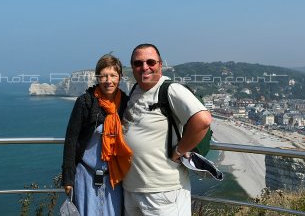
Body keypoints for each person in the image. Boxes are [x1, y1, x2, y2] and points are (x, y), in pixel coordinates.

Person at [122, 43, 212, 216]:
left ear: (160, 65)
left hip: (163, 191)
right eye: (138, 63)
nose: (144, 67)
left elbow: (203, 120)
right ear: (132, 67)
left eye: (150, 62)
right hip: (132, 189)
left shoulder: (171, 89)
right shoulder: (135, 90)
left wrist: (179, 150)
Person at [62, 54, 133, 216]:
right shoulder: (85, 102)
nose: (109, 80)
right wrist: (68, 178)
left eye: (113, 75)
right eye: (104, 76)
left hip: (115, 178)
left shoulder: (126, 103)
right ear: (97, 77)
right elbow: (71, 139)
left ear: (120, 77)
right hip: (86, 176)